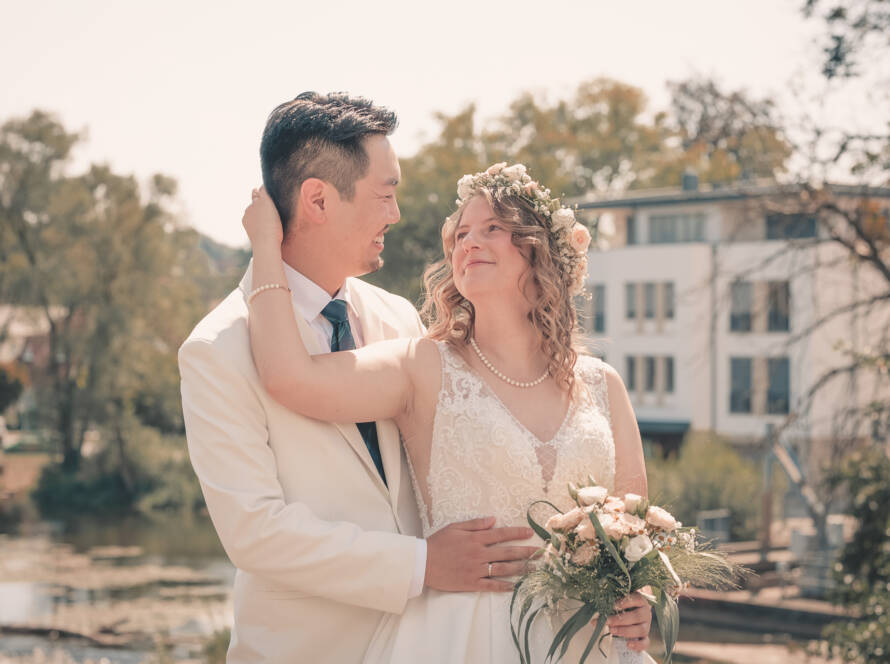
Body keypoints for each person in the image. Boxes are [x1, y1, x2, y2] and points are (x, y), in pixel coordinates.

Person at [243, 160, 655, 662]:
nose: (469, 242)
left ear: (539, 250)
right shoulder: (423, 367)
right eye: (460, 234)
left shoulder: (603, 384)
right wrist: (265, 247)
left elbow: (637, 534)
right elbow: (291, 377)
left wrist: (641, 598)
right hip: (462, 638)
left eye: (492, 228)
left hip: (587, 641)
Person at [178, 93, 538, 663]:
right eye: (386, 193)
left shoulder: (397, 316)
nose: (396, 213)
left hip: (432, 644)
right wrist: (422, 565)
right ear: (318, 199)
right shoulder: (215, 349)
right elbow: (255, 532)